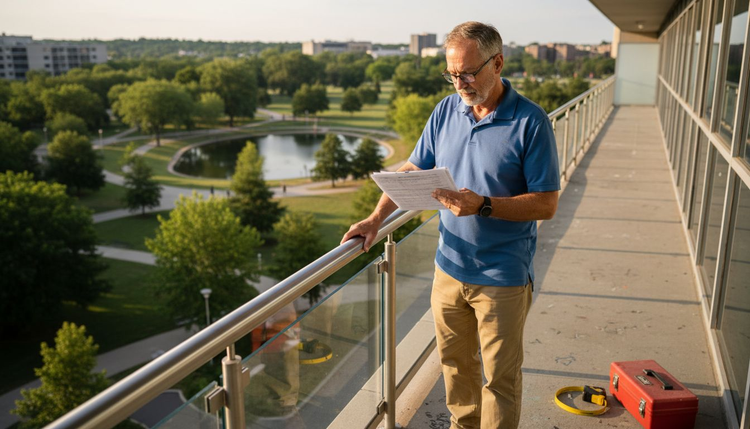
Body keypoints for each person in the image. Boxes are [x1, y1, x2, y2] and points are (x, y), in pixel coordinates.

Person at [341, 21, 560, 429]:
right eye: (453, 74)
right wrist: (374, 219)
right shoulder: (445, 110)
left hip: (503, 275)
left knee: (500, 380)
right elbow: (412, 169)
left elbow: (546, 203)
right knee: (455, 367)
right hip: (448, 268)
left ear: (498, 63)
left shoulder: (531, 122)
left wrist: (484, 206)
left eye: (469, 72)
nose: (460, 82)